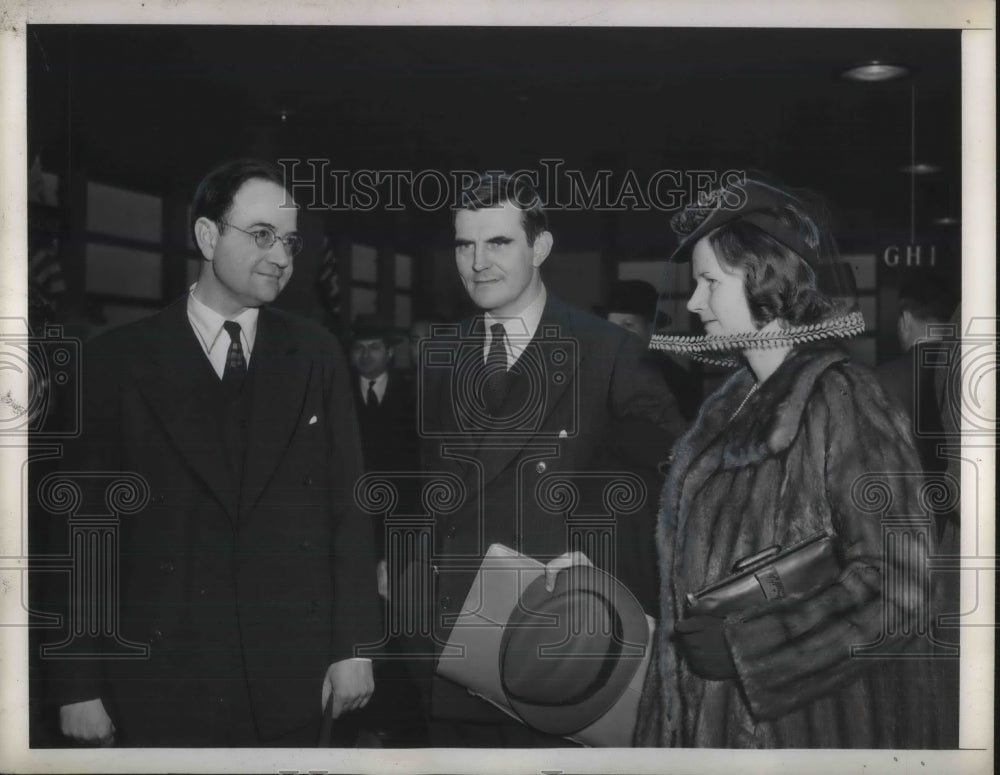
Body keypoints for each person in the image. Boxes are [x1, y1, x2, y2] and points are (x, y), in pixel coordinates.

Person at [50, 158, 379, 747]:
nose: (281, 254)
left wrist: (352, 647)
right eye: (261, 235)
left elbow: (348, 511)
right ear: (207, 235)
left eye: (290, 241)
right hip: (163, 679)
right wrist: (78, 683)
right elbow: (81, 534)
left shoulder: (317, 353)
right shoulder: (114, 362)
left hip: (291, 679)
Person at [635, 177, 955, 748]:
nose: (693, 302)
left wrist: (750, 649)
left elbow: (903, 587)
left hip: (801, 737)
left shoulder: (844, 399)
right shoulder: (731, 408)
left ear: (764, 278)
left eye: (710, 282)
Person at [413, 172, 687, 746]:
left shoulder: (609, 353)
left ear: (540, 247)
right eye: (464, 245)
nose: (476, 262)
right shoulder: (440, 356)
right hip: (456, 646)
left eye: (498, 243)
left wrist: (596, 561)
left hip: (560, 644)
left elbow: (673, 490)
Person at [601, 278, 700, 420]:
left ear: (651, 328)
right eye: (611, 326)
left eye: (628, 325)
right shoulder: (600, 374)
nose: (618, 334)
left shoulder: (677, 381)